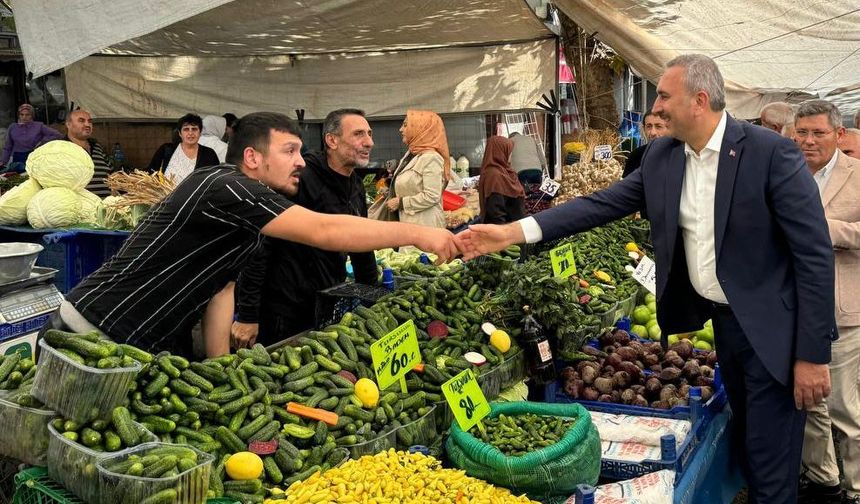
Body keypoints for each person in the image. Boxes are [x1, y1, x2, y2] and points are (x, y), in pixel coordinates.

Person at [457, 54, 836, 504]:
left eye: (663, 96)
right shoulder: (662, 155)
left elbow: (813, 257)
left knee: (773, 466)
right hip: (725, 328)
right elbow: (599, 205)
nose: (655, 108)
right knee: (751, 449)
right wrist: (511, 232)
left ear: (699, 100)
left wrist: (812, 355)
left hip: (776, 333)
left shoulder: (770, 153)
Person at [53, 112, 459, 358]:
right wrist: (419, 235)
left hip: (132, 345)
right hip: (91, 330)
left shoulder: (248, 211)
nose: (301, 162)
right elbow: (323, 229)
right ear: (252, 157)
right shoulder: (224, 184)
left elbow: (222, 287)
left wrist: (219, 367)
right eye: (289, 151)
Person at [234, 109, 378, 345]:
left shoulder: (355, 185)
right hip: (285, 306)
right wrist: (248, 313)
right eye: (359, 134)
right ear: (331, 140)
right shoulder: (299, 178)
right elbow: (260, 245)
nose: (369, 142)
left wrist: (373, 299)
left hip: (327, 299)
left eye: (370, 134)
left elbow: (361, 244)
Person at [793, 100, 860, 504]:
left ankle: (856, 487)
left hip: (842, 308)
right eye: (802, 133)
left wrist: (826, 229)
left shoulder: (858, 175)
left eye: (818, 133)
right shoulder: (783, 172)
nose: (808, 141)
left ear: (839, 135)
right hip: (792, 306)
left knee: (845, 408)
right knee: (808, 404)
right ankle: (824, 481)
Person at [385, 110, 448, 228]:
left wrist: (401, 203)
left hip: (425, 226)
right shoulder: (411, 154)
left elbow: (432, 196)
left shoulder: (431, 158)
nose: (400, 129)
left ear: (421, 128)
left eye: (405, 125)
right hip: (409, 224)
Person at [147, 114, 220, 182]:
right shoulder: (166, 150)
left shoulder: (209, 154)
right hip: (166, 195)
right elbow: (151, 173)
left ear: (200, 132)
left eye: (194, 129)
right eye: (186, 129)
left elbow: (216, 179)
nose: (190, 133)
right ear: (180, 133)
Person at [63, 109, 115, 197]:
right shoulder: (61, 148)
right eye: (81, 121)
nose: (87, 125)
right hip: (78, 207)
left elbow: (112, 173)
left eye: (90, 121)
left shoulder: (97, 146)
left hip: (106, 207)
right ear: (68, 124)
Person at [478, 136, 525, 224]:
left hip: (515, 227)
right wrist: (505, 232)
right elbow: (495, 210)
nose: (510, 154)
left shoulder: (506, 171)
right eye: (509, 151)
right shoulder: (494, 175)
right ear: (499, 151)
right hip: (505, 230)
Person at [1, 104, 63, 171]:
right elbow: (7, 147)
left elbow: (57, 135)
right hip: (18, 159)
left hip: (34, 157)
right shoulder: (13, 127)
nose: (24, 117)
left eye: (27, 115)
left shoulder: (38, 126)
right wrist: (3, 162)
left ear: (32, 116)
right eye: (22, 114)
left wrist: (42, 142)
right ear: (19, 115)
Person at [623, 109, 669, 177]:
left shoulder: (680, 155)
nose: (653, 132)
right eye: (649, 126)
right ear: (644, 129)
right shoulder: (636, 156)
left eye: (658, 126)